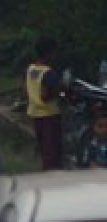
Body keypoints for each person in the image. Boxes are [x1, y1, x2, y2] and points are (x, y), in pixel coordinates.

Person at [26, 36, 63, 170]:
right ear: (50, 52)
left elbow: (27, 88)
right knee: (52, 154)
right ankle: (52, 181)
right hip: (50, 116)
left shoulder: (31, 69)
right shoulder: (49, 73)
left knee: (44, 152)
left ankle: (46, 175)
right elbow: (48, 94)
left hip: (36, 115)